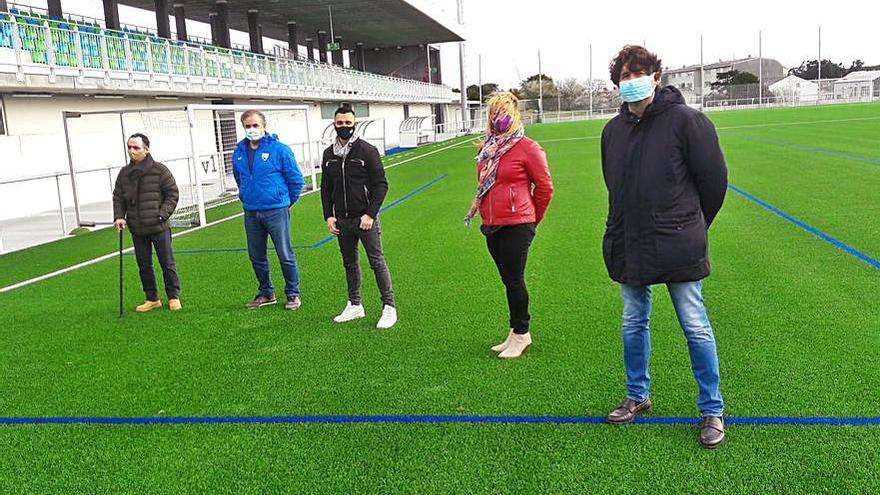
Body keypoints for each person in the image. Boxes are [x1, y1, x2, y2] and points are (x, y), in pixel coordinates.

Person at [600, 45, 729, 448]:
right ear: (617, 83)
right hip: (630, 241)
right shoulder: (613, 131)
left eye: (639, 73)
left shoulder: (688, 122)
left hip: (678, 242)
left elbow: (714, 182)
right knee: (632, 321)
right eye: (625, 76)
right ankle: (637, 395)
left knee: (694, 325)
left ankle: (712, 408)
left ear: (657, 76)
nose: (632, 81)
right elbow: (614, 186)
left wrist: (691, 224)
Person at [465, 92, 553, 359]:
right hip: (491, 223)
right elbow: (484, 185)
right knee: (507, 280)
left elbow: (545, 187)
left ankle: (522, 334)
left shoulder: (528, 147)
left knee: (515, 280)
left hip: (517, 224)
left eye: (502, 113)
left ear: (514, 115)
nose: (497, 118)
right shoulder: (488, 149)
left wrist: (532, 219)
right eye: (493, 113)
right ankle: (514, 331)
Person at [320, 105, 397, 329]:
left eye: (348, 123)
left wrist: (370, 214)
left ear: (355, 124)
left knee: (377, 262)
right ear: (334, 124)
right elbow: (326, 188)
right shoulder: (328, 154)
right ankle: (355, 305)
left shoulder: (367, 151)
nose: (344, 126)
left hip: (365, 220)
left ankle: (389, 307)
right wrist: (329, 216)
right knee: (349, 264)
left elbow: (381, 185)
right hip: (342, 221)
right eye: (340, 123)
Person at [232, 110, 305, 310]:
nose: (251, 129)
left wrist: (284, 202)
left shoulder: (279, 150)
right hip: (251, 211)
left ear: (264, 126)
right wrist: (246, 196)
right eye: (247, 126)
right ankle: (266, 293)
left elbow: (296, 180)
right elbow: (239, 179)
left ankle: (292, 293)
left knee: (284, 253)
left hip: (276, 210)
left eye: (255, 125)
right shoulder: (238, 152)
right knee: (256, 255)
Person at [112, 133, 182, 312]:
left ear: (146, 149)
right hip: (137, 228)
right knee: (143, 265)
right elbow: (118, 197)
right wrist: (119, 216)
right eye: (129, 147)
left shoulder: (160, 170)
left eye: (136, 147)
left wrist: (162, 214)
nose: (131, 151)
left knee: (167, 263)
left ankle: (173, 296)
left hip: (159, 227)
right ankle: (152, 298)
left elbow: (172, 194)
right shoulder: (125, 173)